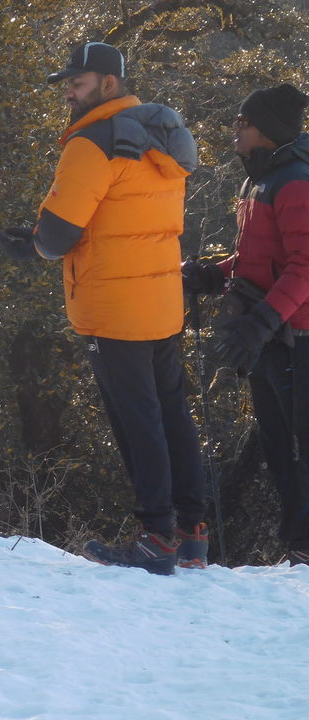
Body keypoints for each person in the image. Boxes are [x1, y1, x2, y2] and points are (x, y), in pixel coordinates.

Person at [0, 42, 208, 575]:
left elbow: (62, 233)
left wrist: (34, 244)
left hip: (114, 306)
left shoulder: (91, 143)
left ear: (108, 83)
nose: (69, 90)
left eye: (79, 81)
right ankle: (191, 533)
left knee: (136, 418)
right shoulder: (161, 133)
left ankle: (155, 536)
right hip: (160, 300)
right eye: (67, 82)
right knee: (171, 414)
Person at [183, 83, 309, 566]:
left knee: (301, 448)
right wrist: (214, 275)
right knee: (280, 448)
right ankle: (299, 548)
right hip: (274, 337)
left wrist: (261, 322)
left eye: (244, 123)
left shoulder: (294, 181)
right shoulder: (261, 180)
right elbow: (257, 259)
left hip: (296, 338)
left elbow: (304, 265)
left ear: (268, 131)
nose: (235, 129)